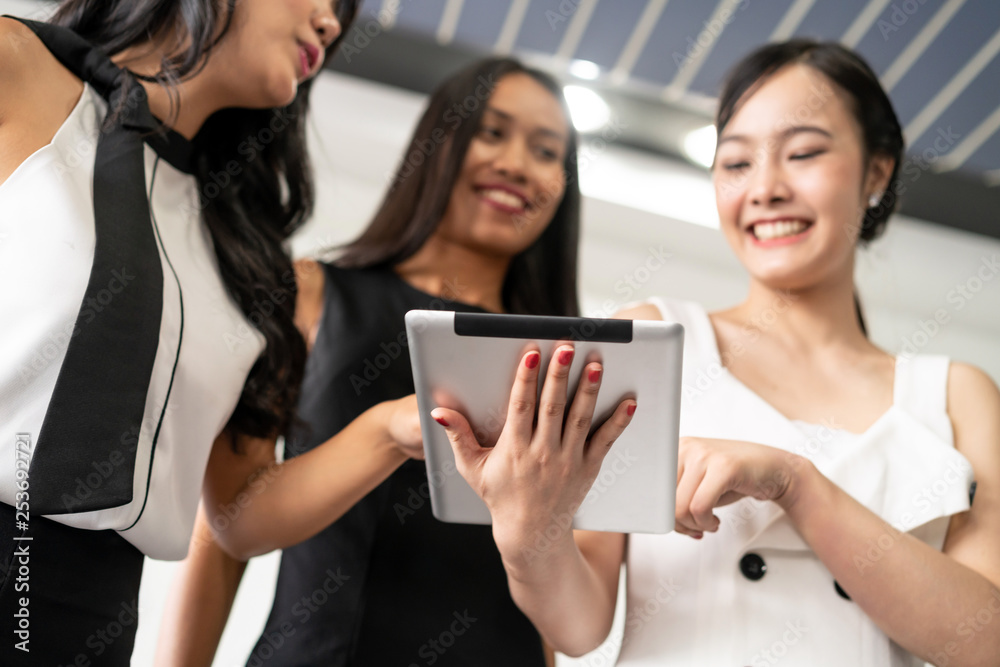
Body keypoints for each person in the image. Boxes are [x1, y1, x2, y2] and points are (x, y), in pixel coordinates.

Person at [433, 40, 1000, 666]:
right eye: (735, 163)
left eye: (804, 152)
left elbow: (985, 642)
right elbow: (580, 626)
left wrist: (795, 484)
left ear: (877, 172)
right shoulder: (651, 337)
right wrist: (528, 533)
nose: (765, 188)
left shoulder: (955, 394)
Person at [156, 56, 635, 667]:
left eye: (547, 151)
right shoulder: (308, 294)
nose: (516, 164)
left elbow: (565, 602)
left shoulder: (571, 362)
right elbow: (226, 534)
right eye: (491, 132)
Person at [0, 0, 358, 663]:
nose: (332, 23)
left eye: (343, 13)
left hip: (92, 616)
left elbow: (240, 511)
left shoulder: (248, 256)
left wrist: (394, 429)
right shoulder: (14, 65)